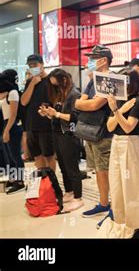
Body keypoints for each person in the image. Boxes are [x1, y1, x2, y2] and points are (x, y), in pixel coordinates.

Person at [105, 68, 139, 238]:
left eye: (122, 80)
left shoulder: (137, 102)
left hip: (130, 145)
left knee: (134, 187)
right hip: (116, 144)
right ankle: (123, 222)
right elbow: (110, 127)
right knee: (117, 186)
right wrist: (120, 109)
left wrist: (117, 110)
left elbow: (128, 127)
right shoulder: (119, 101)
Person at [75, 45, 114, 224]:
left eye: (93, 58)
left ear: (103, 60)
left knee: (108, 171)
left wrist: (88, 103)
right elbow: (79, 102)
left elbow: (92, 105)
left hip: (105, 133)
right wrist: (88, 102)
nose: (89, 62)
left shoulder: (110, 79)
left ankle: (114, 207)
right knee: (99, 171)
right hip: (91, 132)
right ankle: (104, 203)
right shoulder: (93, 80)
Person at [38, 69, 84, 212]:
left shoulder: (74, 93)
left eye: (57, 84)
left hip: (68, 135)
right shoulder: (60, 94)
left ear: (64, 79)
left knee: (71, 167)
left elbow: (75, 117)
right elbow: (57, 117)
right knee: (63, 166)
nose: (56, 87)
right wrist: (48, 114)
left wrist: (56, 113)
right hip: (57, 133)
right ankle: (69, 192)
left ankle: (78, 197)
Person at [20, 54, 55, 170]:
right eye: (30, 65)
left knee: (48, 157)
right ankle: (43, 184)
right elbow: (24, 102)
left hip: (46, 126)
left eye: (35, 64)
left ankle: (52, 185)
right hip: (31, 125)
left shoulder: (50, 81)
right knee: (37, 157)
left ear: (42, 65)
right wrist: (33, 83)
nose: (32, 67)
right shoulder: (30, 82)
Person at [0, 72, 25, 194]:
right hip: (6, 124)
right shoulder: (5, 92)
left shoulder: (13, 93)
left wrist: (6, 131)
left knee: (15, 155)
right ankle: (12, 178)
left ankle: (20, 181)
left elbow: (13, 114)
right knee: (8, 155)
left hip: (12, 125)